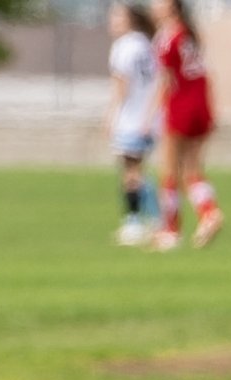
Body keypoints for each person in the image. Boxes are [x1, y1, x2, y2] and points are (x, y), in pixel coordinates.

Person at [149, 0, 223, 251]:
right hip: (201, 102)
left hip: (180, 104)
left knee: (169, 169)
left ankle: (171, 230)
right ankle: (209, 212)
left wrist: (150, 116)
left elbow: (166, 81)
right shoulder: (189, 33)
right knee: (192, 168)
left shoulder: (167, 37)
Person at [105, 2, 159, 247]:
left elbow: (121, 86)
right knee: (139, 170)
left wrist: (111, 115)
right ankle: (155, 221)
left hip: (130, 118)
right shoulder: (147, 44)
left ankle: (136, 222)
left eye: (117, 16)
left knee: (131, 172)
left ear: (130, 20)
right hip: (149, 117)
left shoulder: (124, 46)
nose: (112, 21)